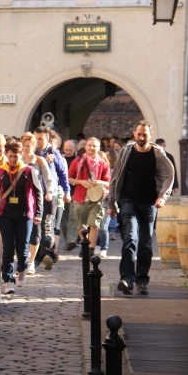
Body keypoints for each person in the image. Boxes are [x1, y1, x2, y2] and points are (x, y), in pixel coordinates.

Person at [107, 121, 175, 296]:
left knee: (145, 244)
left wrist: (162, 197)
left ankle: (142, 280)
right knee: (130, 238)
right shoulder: (126, 152)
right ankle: (127, 279)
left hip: (149, 204)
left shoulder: (157, 154)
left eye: (145, 134)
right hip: (128, 201)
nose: (142, 137)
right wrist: (111, 204)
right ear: (134, 134)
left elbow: (169, 176)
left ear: (150, 135)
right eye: (139, 134)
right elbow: (115, 178)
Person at [0, 140, 42, 293]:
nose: (13, 159)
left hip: (24, 214)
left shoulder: (28, 171)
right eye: (10, 156)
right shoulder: (0, 171)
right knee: (8, 248)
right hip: (5, 214)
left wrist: (38, 213)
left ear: (20, 155)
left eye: (16, 156)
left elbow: (38, 192)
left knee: (22, 247)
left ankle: (21, 269)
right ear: (6, 155)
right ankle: (8, 280)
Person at [33, 127, 71, 270]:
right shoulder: (33, 153)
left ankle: (47, 254)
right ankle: (38, 255)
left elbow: (62, 174)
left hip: (51, 194)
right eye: (36, 138)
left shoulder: (53, 152)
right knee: (37, 225)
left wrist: (67, 192)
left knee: (48, 225)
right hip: (36, 195)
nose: (38, 141)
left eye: (41, 138)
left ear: (47, 138)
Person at [68, 138, 111, 257]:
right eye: (89, 145)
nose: (91, 148)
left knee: (94, 223)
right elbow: (70, 178)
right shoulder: (77, 162)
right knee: (81, 224)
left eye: (94, 146)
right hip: (81, 196)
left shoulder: (103, 164)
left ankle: (91, 248)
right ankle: (84, 244)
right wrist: (81, 182)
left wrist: (100, 182)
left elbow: (109, 182)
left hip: (97, 198)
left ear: (99, 148)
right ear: (86, 147)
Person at [20, 133, 54, 276]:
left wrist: (50, 192)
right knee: (20, 232)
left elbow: (49, 179)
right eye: (24, 145)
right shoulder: (17, 160)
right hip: (19, 200)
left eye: (29, 145)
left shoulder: (39, 161)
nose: (26, 148)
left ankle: (31, 262)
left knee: (35, 232)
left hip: (34, 201)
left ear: (33, 146)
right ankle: (22, 259)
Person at [61, 139, 79, 251]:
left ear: (75, 149)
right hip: (62, 193)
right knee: (63, 219)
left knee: (73, 217)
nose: (68, 152)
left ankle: (71, 241)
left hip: (74, 193)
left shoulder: (78, 161)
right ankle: (68, 239)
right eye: (66, 150)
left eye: (70, 150)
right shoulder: (61, 159)